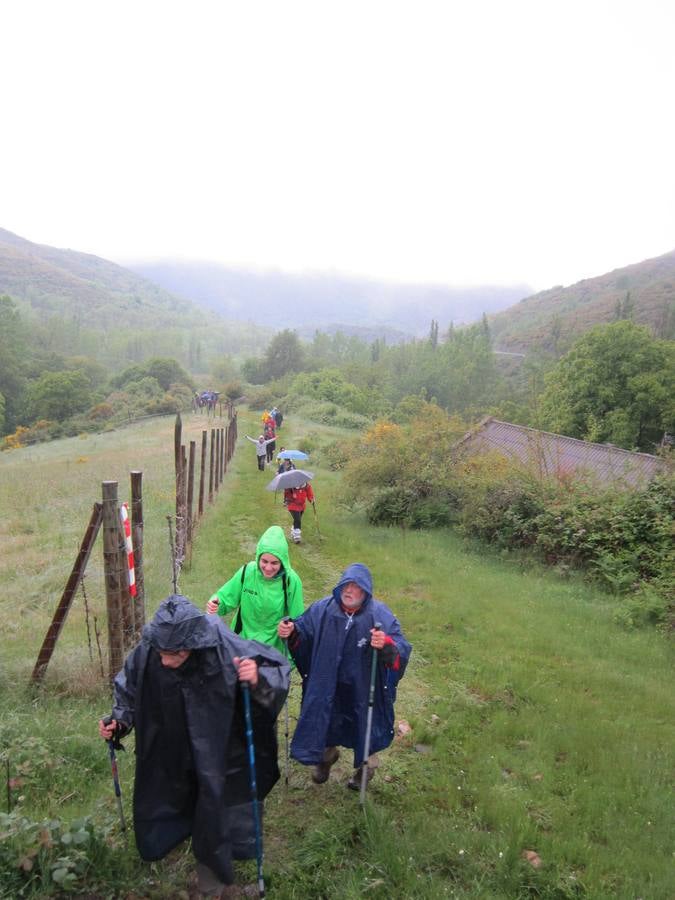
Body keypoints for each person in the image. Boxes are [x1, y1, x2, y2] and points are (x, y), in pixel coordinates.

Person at [98, 594, 290, 899]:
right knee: (171, 792)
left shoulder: (224, 649)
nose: (163, 660)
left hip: (220, 743)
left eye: (171, 654)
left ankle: (211, 881)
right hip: (170, 740)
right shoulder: (152, 648)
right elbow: (129, 686)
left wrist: (256, 679)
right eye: (160, 651)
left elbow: (276, 669)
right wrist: (119, 721)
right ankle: (175, 837)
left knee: (215, 804)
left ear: (190, 646)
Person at [277, 563, 410, 789]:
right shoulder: (322, 609)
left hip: (363, 686)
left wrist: (386, 644)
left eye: (356, 587)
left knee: (366, 728)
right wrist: (292, 632)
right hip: (329, 683)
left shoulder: (379, 614)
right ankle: (326, 759)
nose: (349, 591)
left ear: (365, 591)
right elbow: (303, 630)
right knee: (326, 722)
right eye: (345, 586)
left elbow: (401, 647)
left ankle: (365, 770)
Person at [206, 525, 304, 656]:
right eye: (264, 561)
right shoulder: (247, 572)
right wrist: (216, 604)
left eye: (274, 563)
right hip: (242, 646)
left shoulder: (291, 581)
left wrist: (291, 627)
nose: (268, 568)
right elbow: (225, 598)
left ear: (283, 562)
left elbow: (298, 621)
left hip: (273, 652)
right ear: (258, 557)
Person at [283, 480, 314, 544]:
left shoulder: (307, 486)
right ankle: (297, 537)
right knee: (298, 520)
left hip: (302, 506)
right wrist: (288, 498)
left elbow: (310, 494)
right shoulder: (290, 486)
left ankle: (293, 532)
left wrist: (311, 500)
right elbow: (286, 495)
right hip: (293, 505)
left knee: (296, 520)